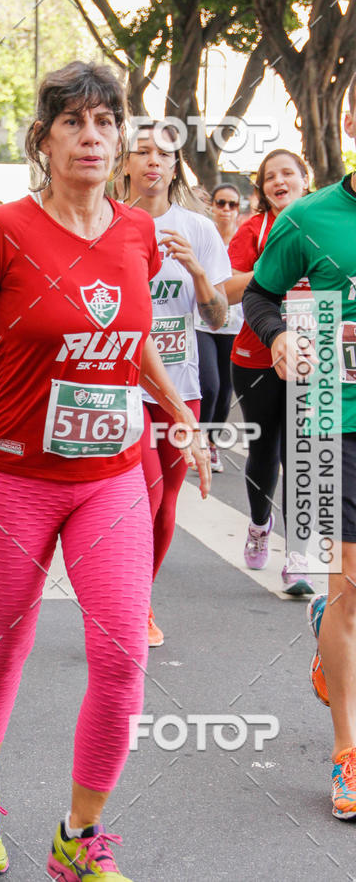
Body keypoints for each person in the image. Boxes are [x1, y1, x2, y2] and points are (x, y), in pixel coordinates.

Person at [0, 61, 209, 881]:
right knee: (2, 644)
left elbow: (135, 341)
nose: (93, 136)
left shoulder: (136, 232)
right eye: (74, 122)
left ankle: (77, 840)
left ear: (121, 139)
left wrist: (181, 415)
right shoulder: (6, 228)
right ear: (43, 139)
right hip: (9, 472)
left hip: (112, 475)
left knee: (123, 653)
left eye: (106, 122)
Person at [242, 70, 356, 819]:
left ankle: (327, 635)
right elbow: (258, 294)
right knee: (349, 584)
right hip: (331, 417)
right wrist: (282, 338)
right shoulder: (310, 218)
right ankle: (349, 754)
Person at [123, 122, 229, 646]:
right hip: (121, 386)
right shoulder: (109, 223)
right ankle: (126, 602)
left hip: (178, 387)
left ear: (173, 165)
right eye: (141, 152)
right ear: (124, 164)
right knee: (143, 493)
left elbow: (215, 318)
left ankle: (139, 600)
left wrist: (199, 273)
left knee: (166, 504)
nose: (152, 161)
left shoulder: (199, 229)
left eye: (163, 153)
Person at [227, 148, 313, 595]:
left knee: (301, 456)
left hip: (313, 355)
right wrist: (270, 268)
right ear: (261, 189)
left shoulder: (325, 222)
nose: (279, 181)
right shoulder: (253, 230)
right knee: (265, 449)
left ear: (305, 179)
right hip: (256, 357)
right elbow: (228, 290)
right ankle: (259, 525)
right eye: (269, 177)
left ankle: (297, 556)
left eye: (288, 174)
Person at [195, 183, 243, 471]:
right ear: (212, 206)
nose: (226, 209)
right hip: (203, 323)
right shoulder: (204, 237)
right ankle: (198, 439)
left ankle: (212, 443)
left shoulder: (244, 240)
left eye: (232, 204)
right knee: (209, 385)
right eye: (221, 203)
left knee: (225, 390)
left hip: (235, 325)